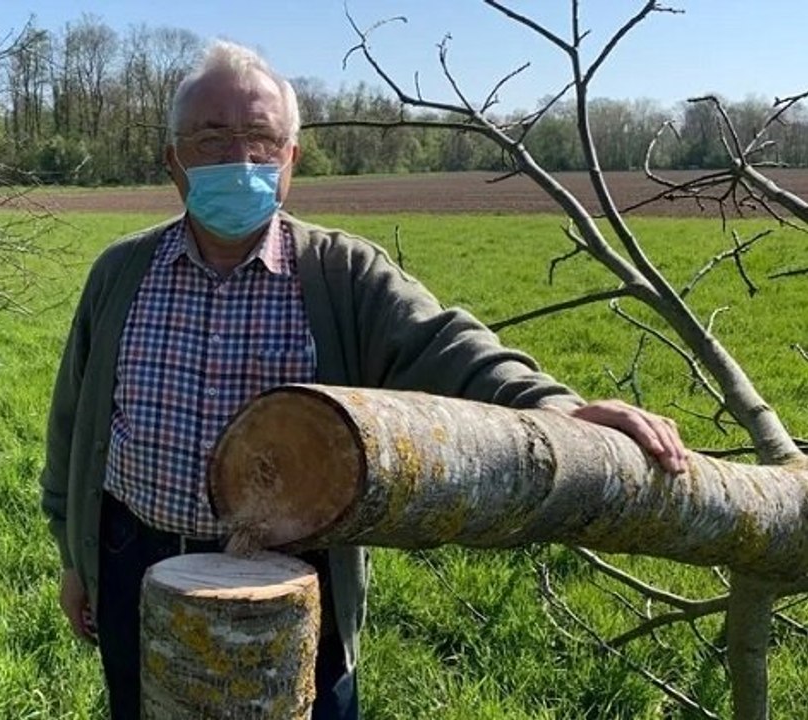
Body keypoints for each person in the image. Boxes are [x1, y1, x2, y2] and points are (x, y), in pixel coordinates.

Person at [38, 40, 688, 720]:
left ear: (291, 159)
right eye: (211, 138)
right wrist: (74, 559)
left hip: (295, 575)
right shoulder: (120, 272)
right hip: (133, 561)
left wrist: (560, 410)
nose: (240, 159)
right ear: (173, 159)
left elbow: (448, 346)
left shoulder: (342, 274)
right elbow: (72, 423)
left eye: (261, 138)